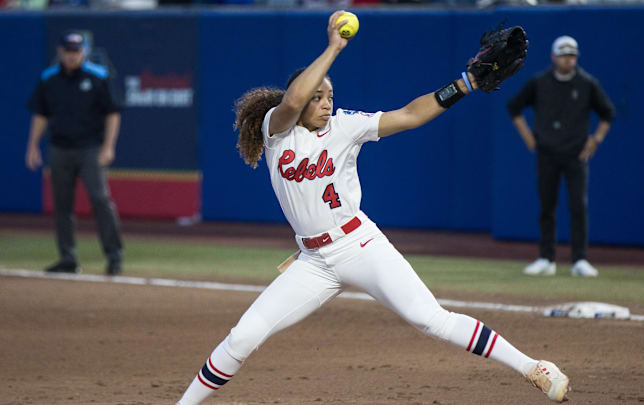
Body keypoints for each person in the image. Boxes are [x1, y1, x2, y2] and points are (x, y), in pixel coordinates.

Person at [177, 11, 569, 404]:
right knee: (243, 336)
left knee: (430, 319)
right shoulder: (277, 130)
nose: (326, 103)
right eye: (317, 97)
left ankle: (534, 367)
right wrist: (334, 47)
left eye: (330, 95)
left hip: (359, 245)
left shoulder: (347, 126)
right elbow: (294, 97)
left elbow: (411, 115)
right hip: (312, 261)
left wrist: (464, 84)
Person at [507, 35, 615, 278]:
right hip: (547, 153)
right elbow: (514, 107)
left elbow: (608, 113)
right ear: (553, 56)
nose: (568, 60)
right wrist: (529, 138)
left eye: (572, 55)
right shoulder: (540, 82)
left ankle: (580, 260)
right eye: (564, 55)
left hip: (576, 154)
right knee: (547, 206)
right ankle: (547, 258)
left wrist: (595, 140)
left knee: (578, 206)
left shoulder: (587, 83)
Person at [25, 30, 123, 275]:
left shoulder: (98, 76)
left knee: (100, 200)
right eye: (68, 51)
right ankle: (67, 258)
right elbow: (41, 114)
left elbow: (112, 113)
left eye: (76, 51)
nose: (72, 56)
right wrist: (32, 146)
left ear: (84, 52)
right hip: (59, 147)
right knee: (62, 205)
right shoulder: (49, 78)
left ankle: (114, 256)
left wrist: (109, 146)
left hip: (90, 148)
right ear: (61, 52)